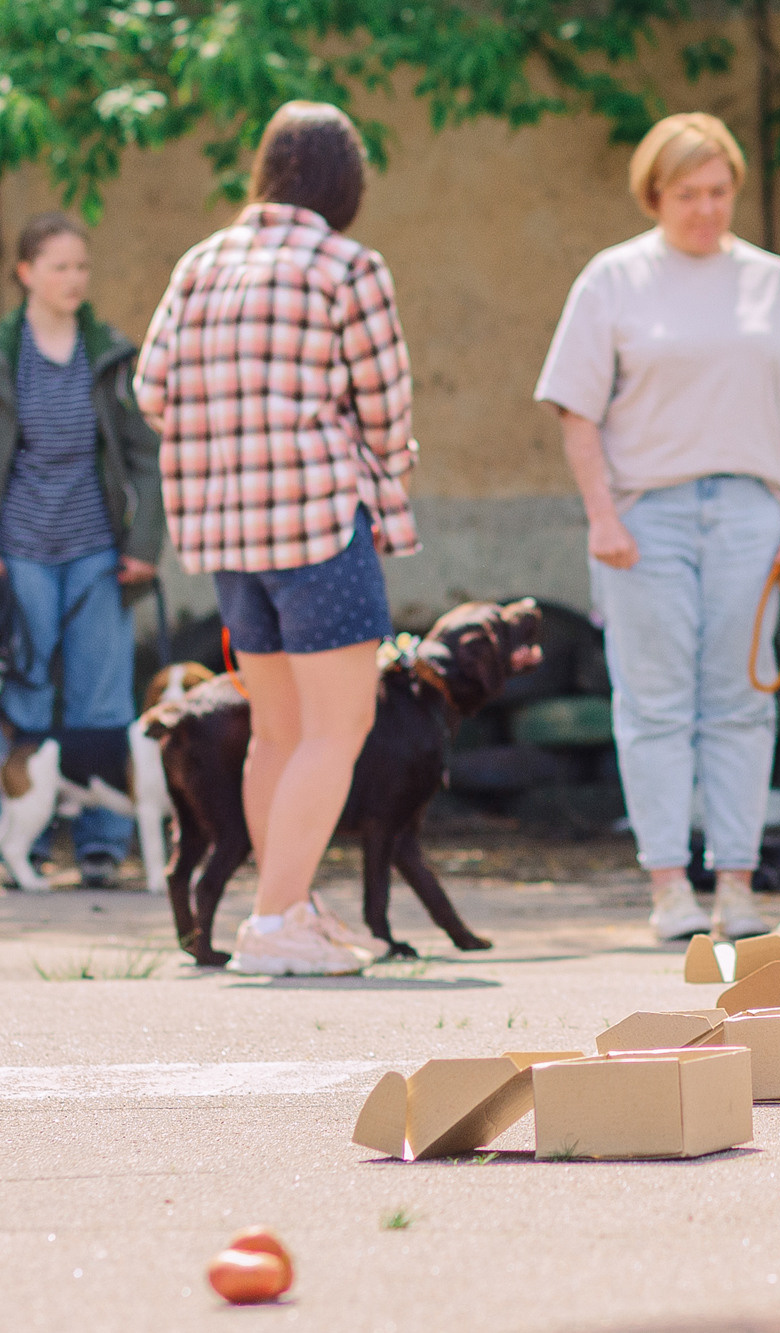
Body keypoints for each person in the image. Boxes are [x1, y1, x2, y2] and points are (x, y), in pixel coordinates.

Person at [535, 112, 780, 945]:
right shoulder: (612, 279)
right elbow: (577, 413)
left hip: (751, 511)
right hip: (647, 514)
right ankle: (669, 885)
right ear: (655, 193)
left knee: (744, 702)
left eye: (719, 192)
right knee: (653, 701)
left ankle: (738, 886)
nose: (707, 209)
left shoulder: (773, 282)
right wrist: (601, 515)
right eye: (688, 194)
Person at [136, 101, 420, 975]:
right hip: (318, 521)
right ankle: (273, 922)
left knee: (278, 731)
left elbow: (151, 389)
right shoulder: (347, 264)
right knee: (339, 727)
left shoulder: (202, 261)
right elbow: (386, 405)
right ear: (345, 181)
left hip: (225, 531)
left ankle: (286, 901)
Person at [0, 213, 165, 888]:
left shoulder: (112, 352)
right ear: (26, 273)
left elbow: (145, 455)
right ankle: (23, 842)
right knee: (27, 694)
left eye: (81, 267)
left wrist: (146, 542)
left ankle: (102, 843)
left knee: (102, 697)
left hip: (100, 546)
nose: (74, 279)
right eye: (59, 266)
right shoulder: (6, 351)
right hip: (21, 547)